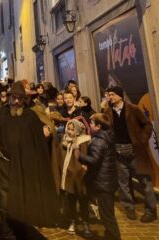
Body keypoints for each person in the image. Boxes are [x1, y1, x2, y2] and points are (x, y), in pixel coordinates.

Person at [0, 81, 60, 239]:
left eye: (20, 99)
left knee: (22, 197)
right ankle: (7, 231)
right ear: (9, 97)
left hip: (23, 166)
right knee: (4, 201)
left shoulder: (30, 116)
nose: (17, 102)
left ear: (25, 99)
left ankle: (21, 227)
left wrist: (47, 132)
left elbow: (41, 136)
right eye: (14, 98)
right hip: (4, 165)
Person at [104, 86, 157, 222]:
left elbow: (147, 125)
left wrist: (142, 139)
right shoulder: (108, 111)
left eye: (112, 94)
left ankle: (151, 211)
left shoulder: (133, 109)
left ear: (120, 96)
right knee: (123, 182)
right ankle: (129, 208)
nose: (110, 97)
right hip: (118, 152)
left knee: (145, 181)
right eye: (109, 94)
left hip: (136, 152)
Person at [77, 113, 121, 240]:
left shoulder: (98, 140)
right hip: (108, 181)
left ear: (98, 126)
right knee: (108, 213)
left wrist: (79, 155)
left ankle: (114, 236)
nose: (89, 125)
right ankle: (110, 235)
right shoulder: (108, 136)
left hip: (103, 183)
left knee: (107, 216)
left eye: (91, 123)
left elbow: (94, 160)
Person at [60, 119, 91, 237]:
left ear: (77, 130)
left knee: (83, 201)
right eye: (68, 128)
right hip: (69, 177)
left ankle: (85, 223)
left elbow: (85, 158)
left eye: (72, 129)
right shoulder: (64, 141)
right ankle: (72, 221)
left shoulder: (83, 142)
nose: (70, 131)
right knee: (71, 202)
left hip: (80, 177)